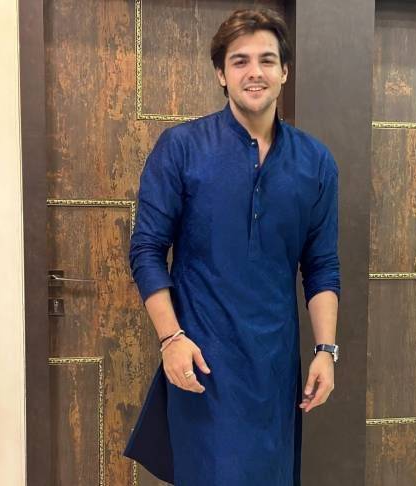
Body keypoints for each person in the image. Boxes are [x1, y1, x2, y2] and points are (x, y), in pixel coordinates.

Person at [124, 8, 341, 486]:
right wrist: (171, 339)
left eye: (267, 60)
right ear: (222, 74)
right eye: (240, 61)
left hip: (275, 369)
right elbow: (147, 249)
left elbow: (321, 265)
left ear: (285, 72)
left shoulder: (315, 162)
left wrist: (326, 350)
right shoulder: (181, 148)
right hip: (202, 362)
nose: (254, 72)